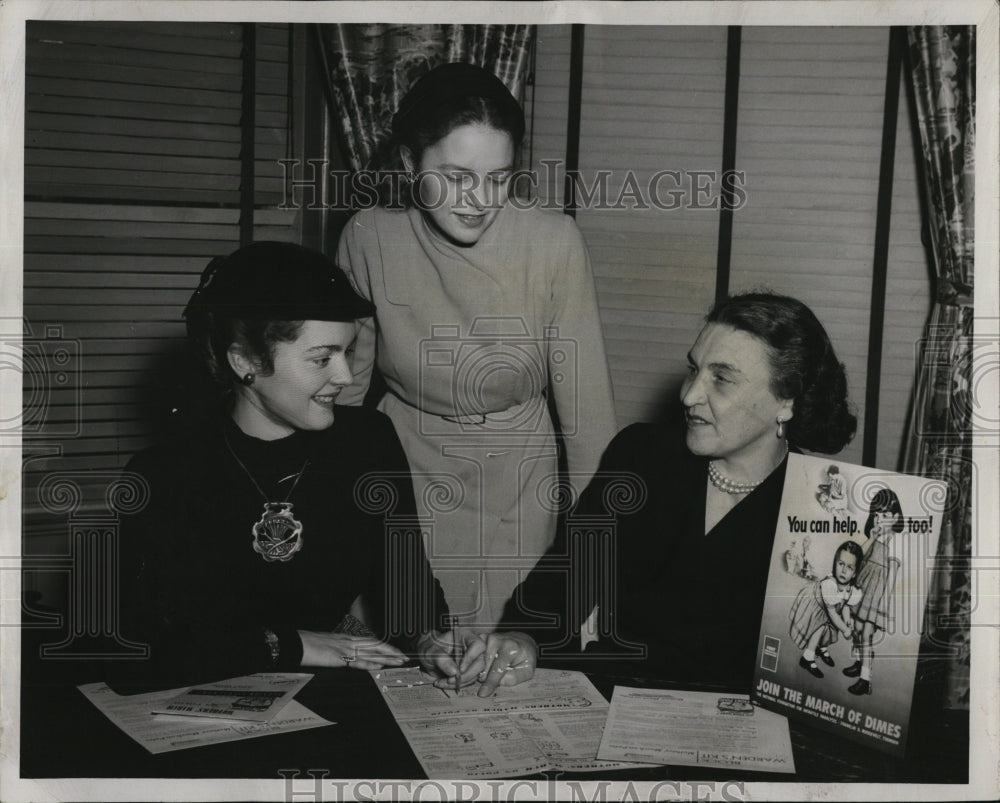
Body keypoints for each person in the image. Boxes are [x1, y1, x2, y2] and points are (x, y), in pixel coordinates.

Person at [118, 241, 532, 694]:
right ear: (246, 362)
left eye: (348, 352)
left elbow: (404, 584)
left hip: (330, 689)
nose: (346, 376)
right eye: (321, 358)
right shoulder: (165, 473)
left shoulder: (368, 441)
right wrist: (293, 645)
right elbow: (142, 649)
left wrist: (430, 640)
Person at [337, 62, 617, 630]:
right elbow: (343, 395)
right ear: (410, 162)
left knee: (507, 653)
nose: (479, 199)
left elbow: (588, 422)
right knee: (410, 654)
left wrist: (594, 569)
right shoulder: (367, 236)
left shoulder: (553, 241)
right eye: (457, 175)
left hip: (520, 474)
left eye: (498, 177)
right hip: (408, 468)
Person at [495, 292, 857, 691]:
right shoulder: (640, 457)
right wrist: (523, 636)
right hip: (616, 694)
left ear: (785, 400)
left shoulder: (820, 507)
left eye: (721, 378)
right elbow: (565, 581)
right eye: (693, 370)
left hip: (741, 722)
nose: (689, 396)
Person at [844, 487, 904, 695]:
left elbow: (893, 574)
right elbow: (860, 557)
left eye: (885, 515)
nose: (879, 520)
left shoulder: (895, 542)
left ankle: (865, 680)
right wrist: (871, 537)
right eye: (876, 515)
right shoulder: (872, 536)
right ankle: (860, 662)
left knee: (867, 633)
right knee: (857, 629)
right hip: (862, 587)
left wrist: (883, 608)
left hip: (876, 596)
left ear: (895, 517)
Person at [789, 541, 865, 678]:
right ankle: (807, 657)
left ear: (854, 574)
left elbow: (846, 605)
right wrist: (845, 629)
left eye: (849, 567)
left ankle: (821, 648)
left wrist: (847, 621)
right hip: (816, 605)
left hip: (830, 610)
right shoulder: (829, 584)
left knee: (831, 629)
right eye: (840, 564)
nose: (843, 570)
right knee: (819, 627)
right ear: (834, 564)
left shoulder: (852, 590)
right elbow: (831, 612)